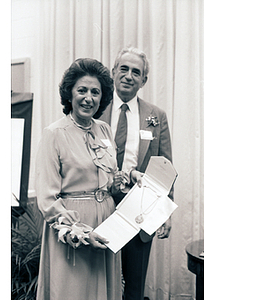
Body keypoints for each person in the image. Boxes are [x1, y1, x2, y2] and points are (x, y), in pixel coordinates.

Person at [35, 58, 124, 300]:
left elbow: (109, 177)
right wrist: (81, 233)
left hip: (107, 224)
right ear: (70, 94)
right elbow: (47, 199)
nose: (89, 98)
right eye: (82, 90)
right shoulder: (54, 134)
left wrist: (120, 182)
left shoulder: (104, 129)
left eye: (96, 92)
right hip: (74, 229)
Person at [99, 47, 174, 300]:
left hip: (139, 208)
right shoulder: (95, 109)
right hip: (101, 204)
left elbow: (165, 167)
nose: (129, 76)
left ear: (144, 80)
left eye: (136, 72)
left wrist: (164, 212)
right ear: (113, 72)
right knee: (99, 282)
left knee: (134, 285)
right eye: (124, 69)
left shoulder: (156, 116)